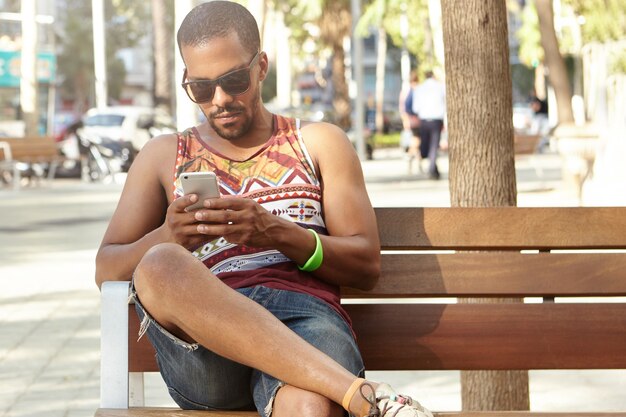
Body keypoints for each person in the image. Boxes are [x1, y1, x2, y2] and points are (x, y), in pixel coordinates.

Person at [95, 2, 433, 417]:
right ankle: (364, 397)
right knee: (160, 262)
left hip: (304, 320)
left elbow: (365, 265)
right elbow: (105, 269)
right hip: (207, 348)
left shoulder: (319, 142)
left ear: (261, 67)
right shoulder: (162, 155)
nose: (219, 100)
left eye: (234, 80)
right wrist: (169, 235)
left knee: (310, 406)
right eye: (201, 88)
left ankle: (350, 396)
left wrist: (273, 232)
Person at [412, 70, 445, 180]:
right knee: (433, 146)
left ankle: (432, 169)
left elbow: (415, 107)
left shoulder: (419, 89)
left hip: (424, 120)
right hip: (436, 120)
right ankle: (433, 168)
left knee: (428, 146)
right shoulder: (440, 87)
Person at [399, 71, 421, 173]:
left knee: (416, 141)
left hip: (410, 121)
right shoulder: (416, 90)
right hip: (417, 121)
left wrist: (405, 120)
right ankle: (412, 158)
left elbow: (402, 108)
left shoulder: (405, 91)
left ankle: (416, 161)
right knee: (416, 141)